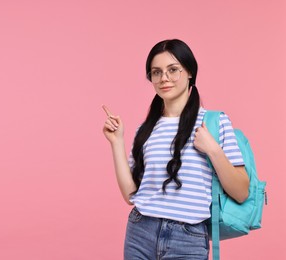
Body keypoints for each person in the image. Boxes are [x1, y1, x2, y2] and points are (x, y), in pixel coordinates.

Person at [102, 39, 249, 260]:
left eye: (173, 70)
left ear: (189, 72)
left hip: (188, 238)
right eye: (156, 72)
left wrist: (213, 150)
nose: (164, 78)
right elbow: (131, 195)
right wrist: (117, 142)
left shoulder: (214, 122)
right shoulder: (146, 129)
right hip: (140, 231)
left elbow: (241, 191)